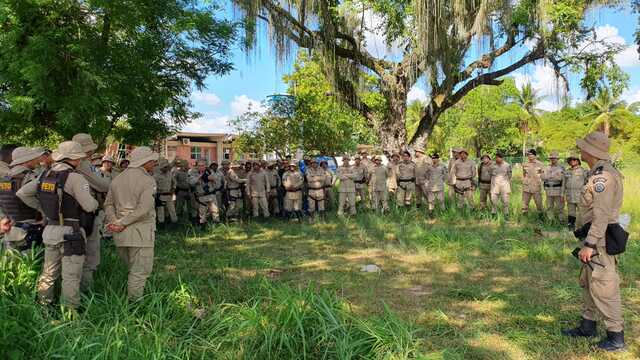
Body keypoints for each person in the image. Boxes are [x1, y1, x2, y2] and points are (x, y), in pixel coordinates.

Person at [561, 132, 625, 352]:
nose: (580, 149)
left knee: (605, 286)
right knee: (588, 283)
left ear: (590, 151)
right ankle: (587, 326)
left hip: (600, 240)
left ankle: (615, 336)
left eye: (583, 146)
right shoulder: (596, 172)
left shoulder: (603, 177)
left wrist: (590, 244)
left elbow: (602, 214)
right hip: (593, 237)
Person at [17, 141, 99, 309]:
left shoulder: (44, 175)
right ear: (74, 159)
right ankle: (70, 311)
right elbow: (89, 206)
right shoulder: (76, 178)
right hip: (71, 232)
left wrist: (44, 209)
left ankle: (43, 307)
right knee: (71, 276)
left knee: (48, 272)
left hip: (50, 231)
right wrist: (96, 203)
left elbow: (22, 193)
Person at [104, 147, 158, 302]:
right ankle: (135, 307)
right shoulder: (148, 180)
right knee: (139, 272)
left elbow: (108, 204)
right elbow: (144, 208)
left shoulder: (117, 179)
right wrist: (121, 222)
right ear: (145, 161)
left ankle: (133, 300)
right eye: (152, 160)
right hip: (140, 232)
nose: (154, 163)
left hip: (120, 233)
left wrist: (115, 221)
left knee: (131, 269)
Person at [71, 133, 110, 290]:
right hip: (86, 214)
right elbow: (103, 186)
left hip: (68, 215)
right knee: (90, 254)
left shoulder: (60, 166)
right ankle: (87, 289)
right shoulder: (84, 165)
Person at [0, 147, 46, 252]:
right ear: (27, 161)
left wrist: (3, 218)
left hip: (10, 228)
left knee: (14, 266)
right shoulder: (31, 177)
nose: (37, 161)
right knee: (32, 265)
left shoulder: (5, 179)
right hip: (30, 228)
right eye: (34, 159)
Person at [189, 160, 223, 225]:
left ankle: (216, 225)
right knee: (202, 213)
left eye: (202, 165)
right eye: (199, 166)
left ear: (205, 166)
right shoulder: (194, 173)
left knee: (215, 211)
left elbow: (217, 181)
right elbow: (191, 182)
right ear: (197, 166)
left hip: (211, 195)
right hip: (201, 196)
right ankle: (203, 227)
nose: (201, 167)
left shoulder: (210, 172)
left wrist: (211, 177)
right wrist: (201, 176)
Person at [564, 154, 587, 229]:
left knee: (581, 212)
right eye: (570, 160)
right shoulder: (567, 171)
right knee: (571, 212)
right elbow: (563, 183)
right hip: (569, 195)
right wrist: (562, 194)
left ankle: (581, 227)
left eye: (574, 160)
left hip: (580, 195)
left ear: (578, 161)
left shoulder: (583, 171)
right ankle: (571, 227)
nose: (572, 161)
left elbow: (588, 182)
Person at [542, 151, 566, 222]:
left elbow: (562, 179)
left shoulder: (561, 168)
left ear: (557, 159)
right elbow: (542, 177)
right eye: (551, 158)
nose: (553, 159)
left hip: (558, 190)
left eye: (554, 158)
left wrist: (549, 176)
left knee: (560, 207)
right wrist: (554, 176)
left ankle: (561, 220)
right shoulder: (546, 167)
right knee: (549, 207)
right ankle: (550, 220)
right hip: (549, 190)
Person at [154, 158, 178, 228]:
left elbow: (174, 182)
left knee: (172, 210)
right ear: (161, 167)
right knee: (160, 211)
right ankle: (161, 224)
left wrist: (173, 189)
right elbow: (153, 186)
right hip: (160, 195)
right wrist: (156, 194)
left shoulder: (170, 174)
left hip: (169, 195)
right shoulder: (156, 175)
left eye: (167, 166)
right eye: (164, 167)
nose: (166, 168)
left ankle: (175, 223)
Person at [521, 149, 544, 216]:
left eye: (531, 154)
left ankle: (541, 218)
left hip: (536, 187)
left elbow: (543, 175)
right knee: (524, 204)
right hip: (526, 187)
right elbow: (524, 174)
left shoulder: (540, 164)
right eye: (528, 155)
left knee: (539, 204)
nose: (530, 156)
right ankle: (524, 218)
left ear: (535, 155)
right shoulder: (525, 164)